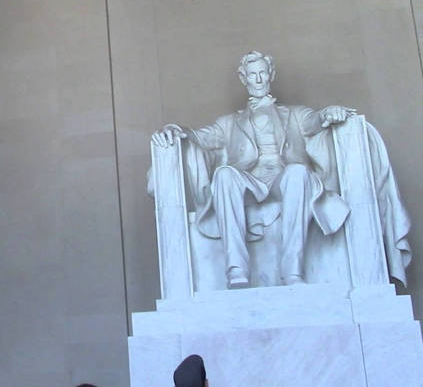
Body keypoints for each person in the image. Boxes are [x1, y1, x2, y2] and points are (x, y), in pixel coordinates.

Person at [152, 51, 356, 288]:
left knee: (298, 172)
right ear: (243, 78)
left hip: (284, 179)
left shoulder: (296, 114)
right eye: (252, 74)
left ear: (271, 75)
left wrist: (328, 113)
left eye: (262, 73)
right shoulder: (228, 123)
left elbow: (315, 121)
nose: (258, 79)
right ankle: (236, 270)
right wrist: (175, 129)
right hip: (249, 183)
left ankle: (293, 271)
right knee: (224, 174)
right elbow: (200, 136)